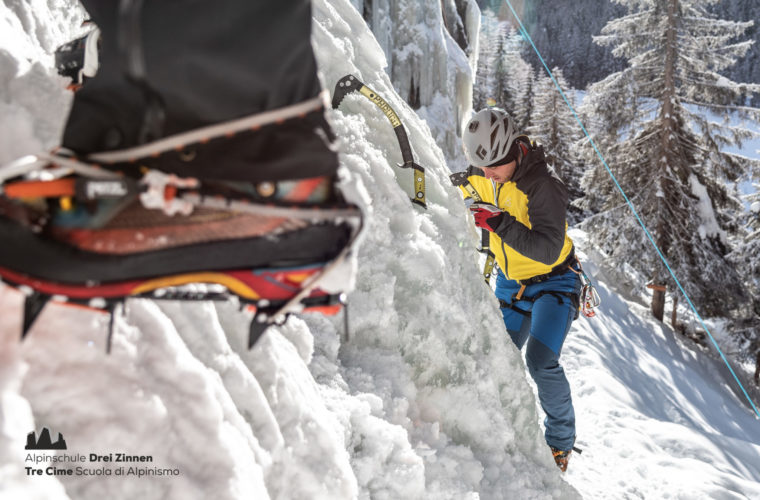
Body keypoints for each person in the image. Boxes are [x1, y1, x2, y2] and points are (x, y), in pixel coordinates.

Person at [459, 107, 581, 472]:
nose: (488, 174)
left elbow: (545, 250)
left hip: (554, 282)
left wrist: (499, 223)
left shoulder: (541, 186)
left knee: (541, 361)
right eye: (483, 167)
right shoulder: (484, 173)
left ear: (513, 151)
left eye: (495, 165)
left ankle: (560, 443)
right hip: (511, 284)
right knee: (498, 353)